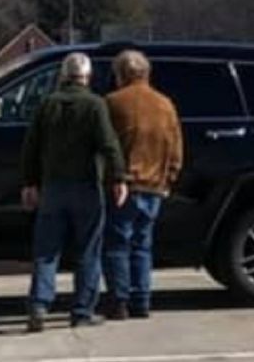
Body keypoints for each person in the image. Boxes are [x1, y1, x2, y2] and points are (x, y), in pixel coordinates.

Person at [21, 52, 128, 332]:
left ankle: (39, 305)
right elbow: (108, 143)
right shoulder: (95, 105)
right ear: (87, 77)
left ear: (63, 76)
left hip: (53, 186)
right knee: (88, 251)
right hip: (86, 186)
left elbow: (31, 147)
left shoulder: (47, 105)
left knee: (46, 251)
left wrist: (30, 183)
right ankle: (82, 310)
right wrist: (118, 178)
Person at [103, 50, 183, 320]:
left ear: (122, 74)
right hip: (154, 186)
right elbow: (175, 150)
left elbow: (105, 145)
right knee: (142, 244)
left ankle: (119, 300)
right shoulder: (165, 105)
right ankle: (142, 299)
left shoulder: (113, 103)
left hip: (124, 184)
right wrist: (168, 178)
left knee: (117, 244)